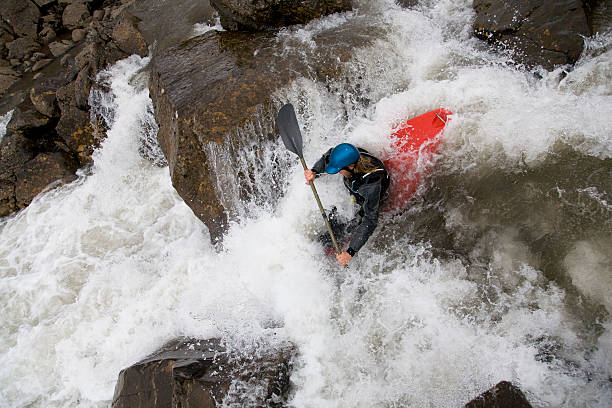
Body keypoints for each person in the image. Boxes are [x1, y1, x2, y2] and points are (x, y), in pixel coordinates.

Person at [304, 143, 390, 266]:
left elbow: (370, 220)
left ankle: (323, 249)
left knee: (351, 224)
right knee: (333, 215)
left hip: (366, 199)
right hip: (354, 189)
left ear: (351, 166)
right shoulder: (353, 154)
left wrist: (350, 252)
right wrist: (314, 171)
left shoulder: (370, 184)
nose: (338, 172)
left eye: (340, 170)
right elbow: (329, 155)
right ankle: (317, 243)